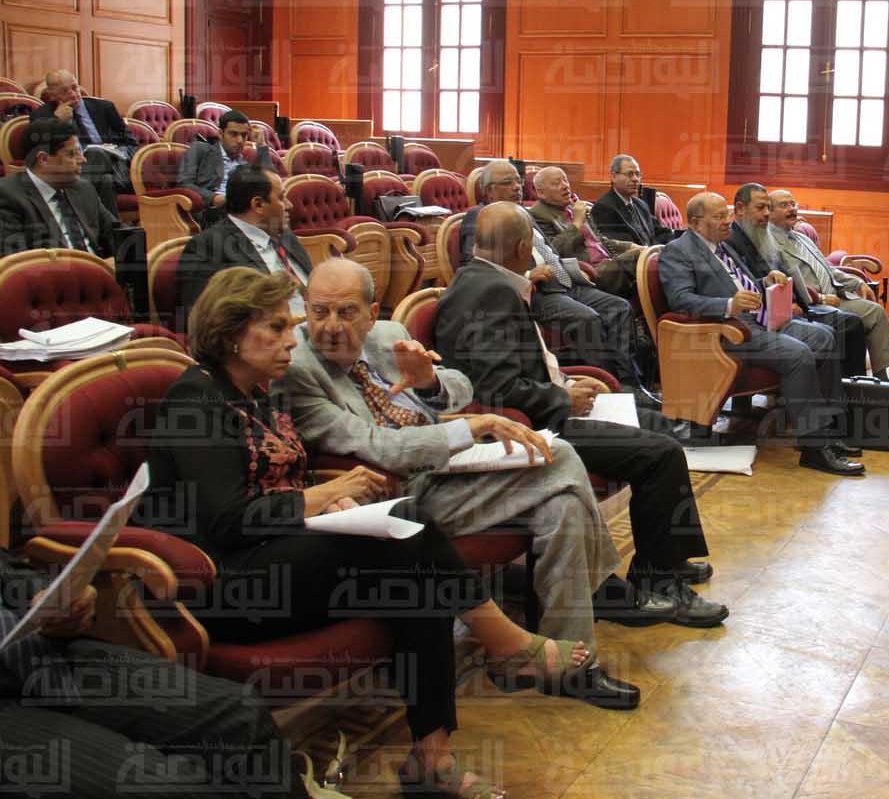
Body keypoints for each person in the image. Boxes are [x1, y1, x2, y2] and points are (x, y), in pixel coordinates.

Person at [141, 269, 604, 798]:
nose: (293, 339)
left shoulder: (254, 393)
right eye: (277, 327)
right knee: (406, 525)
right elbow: (227, 519)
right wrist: (318, 497)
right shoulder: (195, 399)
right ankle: (505, 642)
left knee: (418, 580)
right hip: (225, 583)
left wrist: (329, 498)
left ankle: (432, 758)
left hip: (280, 553)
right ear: (230, 333)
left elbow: (281, 481)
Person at [282, 258, 642, 709]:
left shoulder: (389, 335)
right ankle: (602, 589)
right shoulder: (298, 370)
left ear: (372, 313)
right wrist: (470, 428)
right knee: (563, 457)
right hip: (400, 496)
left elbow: (460, 386)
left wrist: (430, 382)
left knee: (562, 504)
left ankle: (558, 666)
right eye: (319, 311)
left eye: (346, 312)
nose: (331, 326)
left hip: (449, 468)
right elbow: (378, 446)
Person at [435, 203, 729, 627]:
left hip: (538, 413)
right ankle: (659, 583)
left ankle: (666, 558)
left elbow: (513, 370)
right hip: (527, 431)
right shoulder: (488, 292)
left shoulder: (484, 280)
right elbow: (495, 391)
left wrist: (566, 383)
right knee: (661, 454)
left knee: (658, 427)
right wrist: (563, 399)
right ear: (522, 247)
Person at [0, 547, 316, 798]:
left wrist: (45, 597)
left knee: (240, 714)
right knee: (162, 785)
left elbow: (8, 569)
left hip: (33, 650)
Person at [660, 193, 864, 476]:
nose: (727, 221)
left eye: (726, 214)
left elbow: (739, 284)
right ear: (695, 223)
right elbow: (681, 300)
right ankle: (815, 447)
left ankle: (830, 430)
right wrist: (728, 304)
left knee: (825, 337)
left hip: (758, 320)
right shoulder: (677, 251)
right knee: (798, 354)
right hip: (726, 332)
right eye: (718, 217)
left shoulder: (722, 246)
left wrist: (764, 280)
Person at [460, 161, 648, 396]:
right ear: (489, 191)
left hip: (565, 282)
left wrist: (574, 269)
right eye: (508, 182)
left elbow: (551, 252)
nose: (517, 186)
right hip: (535, 292)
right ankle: (609, 390)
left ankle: (631, 384)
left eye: (518, 180)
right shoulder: (481, 217)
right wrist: (527, 275)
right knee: (587, 318)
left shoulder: (524, 213)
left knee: (619, 307)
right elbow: (475, 264)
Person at [725, 183, 868, 378]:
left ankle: (852, 386)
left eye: (768, 207)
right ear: (740, 209)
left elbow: (787, 276)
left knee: (850, 323)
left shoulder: (762, 235)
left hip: (794, 307)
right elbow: (747, 287)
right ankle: (844, 388)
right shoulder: (731, 242)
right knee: (840, 327)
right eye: (761, 208)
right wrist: (795, 303)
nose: (766, 213)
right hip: (768, 317)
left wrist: (797, 302)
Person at [768, 188, 889, 383]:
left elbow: (828, 268)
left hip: (836, 295)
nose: (792, 209)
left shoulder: (802, 238)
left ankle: (881, 378)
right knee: (852, 322)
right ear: (770, 212)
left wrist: (857, 282)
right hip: (814, 303)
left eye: (793, 204)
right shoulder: (771, 244)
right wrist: (821, 298)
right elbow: (787, 282)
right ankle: (853, 382)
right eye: (784, 205)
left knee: (875, 312)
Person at [177, 165, 312, 315]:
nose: (289, 205)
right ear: (258, 205)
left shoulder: (283, 233)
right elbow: (202, 319)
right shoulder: (207, 247)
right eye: (281, 198)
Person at [0, 118, 116, 258]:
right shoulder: (7, 196)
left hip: (99, 267)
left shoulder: (83, 188)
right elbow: (18, 262)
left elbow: (116, 233)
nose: (83, 159)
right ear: (43, 159)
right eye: (72, 154)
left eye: (80, 152)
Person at [30, 70, 134, 216]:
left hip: (117, 169)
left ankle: (73, 213)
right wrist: (57, 122)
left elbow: (131, 143)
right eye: (64, 91)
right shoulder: (42, 116)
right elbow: (41, 150)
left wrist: (116, 151)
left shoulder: (104, 107)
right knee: (105, 181)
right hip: (75, 171)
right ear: (52, 95)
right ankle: (111, 228)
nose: (73, 94)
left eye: (75, 87)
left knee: (97, 154)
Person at [528, 165, 642, 298]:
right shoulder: (537, 214)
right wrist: (576, 224)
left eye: (565, 180)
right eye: (556, 183)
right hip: (589, 271)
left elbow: (599, 240)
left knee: (645, 253)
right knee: (639, 258)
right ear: (541, 193)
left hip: (608, 260)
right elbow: (553, 251)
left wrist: (629, 246)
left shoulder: (572, 206)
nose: (565, 186)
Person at [177, 109, 273, 209]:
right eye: (233, 134)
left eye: (244, 135)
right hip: (211, 210)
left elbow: (270, 182)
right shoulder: (200, 150)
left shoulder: (244, 162)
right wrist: (213, 198)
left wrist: (262, 145)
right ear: (220, 133)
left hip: (240, 210)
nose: (240, 140)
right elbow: (184, 184)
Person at [591, 154, 677, 247]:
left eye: (638, 174)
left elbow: (660, 232)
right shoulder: (604, 208)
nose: (635, 179)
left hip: (652, 253)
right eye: (630, 174)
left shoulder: (641, 205)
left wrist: (683, 237)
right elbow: (620, 247)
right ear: (613, 176)